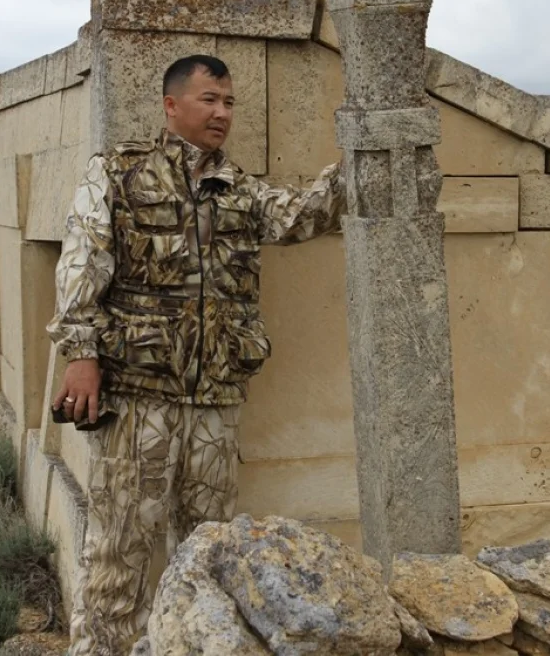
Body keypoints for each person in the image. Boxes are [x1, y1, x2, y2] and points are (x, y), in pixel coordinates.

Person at [47, 54, 345, 655]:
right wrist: (80, 353)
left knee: (207, 552)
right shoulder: (118, 173)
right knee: (118, 555)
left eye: (230, 102)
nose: (222, 113)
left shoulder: (239, 188)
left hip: (214, 404)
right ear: (171, 105)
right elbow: (82, 263)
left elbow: (301, 217)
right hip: (138, 401)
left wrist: (357, 161)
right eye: (210, 99)